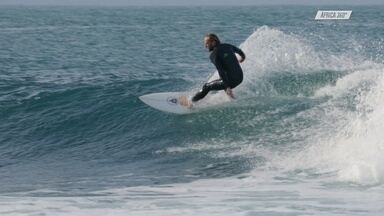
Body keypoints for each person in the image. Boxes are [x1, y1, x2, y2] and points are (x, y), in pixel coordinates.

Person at [180, 33, 246, 108]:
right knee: (222, 79)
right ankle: (232, 98)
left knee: (207, 86)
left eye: (207, 44)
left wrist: (227, 87)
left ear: (214, 42)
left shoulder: (214, 55)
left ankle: (190, 102)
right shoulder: (227, 46)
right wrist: (243, 58)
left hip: (232, 81)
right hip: (240, 77)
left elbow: (221, 71)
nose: (205, 46)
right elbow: (240, 51)